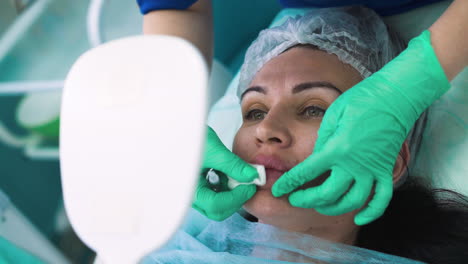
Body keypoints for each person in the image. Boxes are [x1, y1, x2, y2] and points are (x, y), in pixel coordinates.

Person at [141, 6, 468, 263]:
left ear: (389, 160)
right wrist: (171, 124)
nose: (267, 129)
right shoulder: (163, 245)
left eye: (314, 109)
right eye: (254, 111)